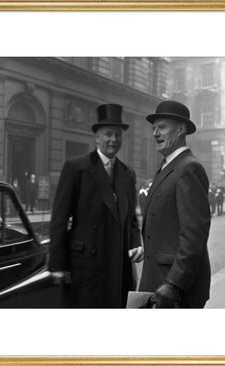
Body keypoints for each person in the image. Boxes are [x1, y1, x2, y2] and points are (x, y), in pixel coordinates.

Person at [48, 103, 144, 308]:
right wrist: (58, 263)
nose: (114, 140)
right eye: (108, 134)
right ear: (97, 137)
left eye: (118, 135)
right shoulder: (76, 167)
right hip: (85, 265)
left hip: (118, 264)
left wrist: (135, 242)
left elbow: (132, 220)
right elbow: (59, 218)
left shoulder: (128, 173)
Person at [138, 100, 211, 308]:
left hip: (174, 287)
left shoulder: (189, 168)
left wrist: (174, 283)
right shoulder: (167, 166)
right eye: (154, 128)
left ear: (180, 130)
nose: (155, 133)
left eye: (161, 127)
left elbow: (194, 235)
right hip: (158, 279)